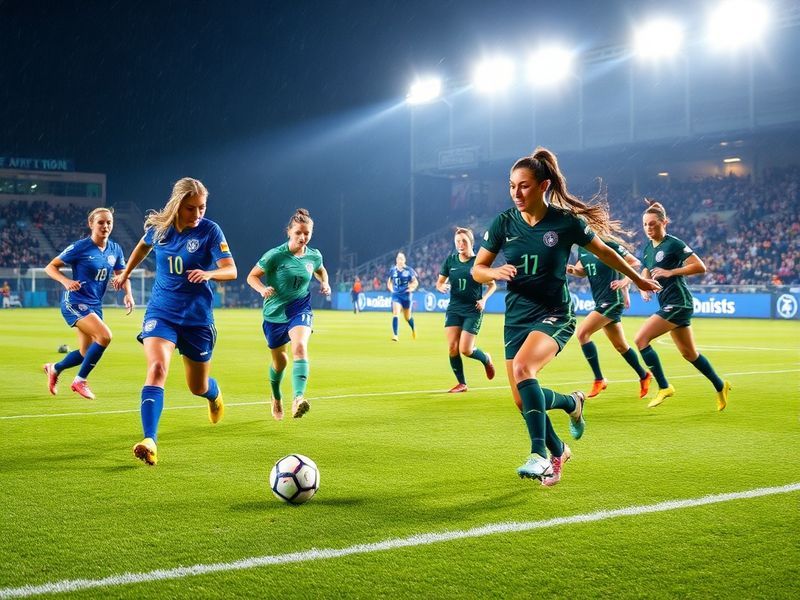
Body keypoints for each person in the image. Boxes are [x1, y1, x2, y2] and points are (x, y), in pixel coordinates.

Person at [472, 147, 660, 487]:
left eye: (524, 186)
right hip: (516, 317)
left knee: (523, 370)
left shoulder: (565, 223)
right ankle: (564, 432)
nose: (516, 193)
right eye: (512, 185)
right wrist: (494, 272)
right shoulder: (502, 223)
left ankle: (538, 455)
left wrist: (637, 278)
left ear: (543, 186)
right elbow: (477, 270)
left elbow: (605, 251)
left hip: (555, 312)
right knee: (522, 398)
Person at [112, 177, 236, 466]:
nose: (198, 214)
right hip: (161, 313)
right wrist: (126, 272)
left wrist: (209, 274)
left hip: (196, 319)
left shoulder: (210, 230)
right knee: (157, 368)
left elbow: (231, 270)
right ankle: (150, 440)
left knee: (197, 386)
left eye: (202, 208)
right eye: (191, 209)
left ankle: (213, 396)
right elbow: (142, 248)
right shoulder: (160, 230)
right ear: (178, 206)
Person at [634, 200, 731, 410]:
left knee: (641, 339)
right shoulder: (647, 248)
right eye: (645, 225)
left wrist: (671, 272)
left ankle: (664, 386)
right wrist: (643, 286)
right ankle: (720, 385)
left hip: (679, 302)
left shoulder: (674, 243)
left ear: (664, 222)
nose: (649, 228)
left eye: (653, 224)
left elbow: (700, 266)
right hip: (668, 302)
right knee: (689, 354)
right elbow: (645, 268)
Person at [246, 208, 330, 421]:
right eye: (298, 233)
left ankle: (298, 399)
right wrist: (262, 289)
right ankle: (275, 397)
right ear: (289, 232)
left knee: (300, 347)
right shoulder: (275, 255)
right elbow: (252, 277)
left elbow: (320, 269)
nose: (303, 237)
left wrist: (325, 282)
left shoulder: (314, 255)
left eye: (307, 233)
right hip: (274, 314)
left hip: (299, 308)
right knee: (280, 363)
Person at [42, 208, 134, 400]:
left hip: (94, 305)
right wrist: (66, 281)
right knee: (105, 336)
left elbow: (122, 275)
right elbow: (50, 267)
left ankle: (55, 368)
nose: (106, 226)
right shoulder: (80, 247)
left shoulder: (115, 249)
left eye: (109, 222)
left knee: (86, 353)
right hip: (75, 301)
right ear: (91, 224)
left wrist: (128, 294)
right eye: (101, 222)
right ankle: (80, 381)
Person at [567, 235, 652, 398]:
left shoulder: (608, 245)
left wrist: (625, 283)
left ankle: (599, 379)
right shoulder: (583, 250)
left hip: (613, 300)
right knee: (621, 346)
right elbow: (581, 271)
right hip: (600, 300)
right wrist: (569, 269)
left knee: (582, 334)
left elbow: (634, 263)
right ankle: (644, 375)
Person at [435, 227, 497, 393]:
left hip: (473, 309)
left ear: (471, 242)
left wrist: (484, 300)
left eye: (463, 241)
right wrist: (440, 286)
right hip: (454, 308)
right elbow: (439, 282)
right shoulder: (450, 261)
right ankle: (462, 383)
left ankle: (486, 359)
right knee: (452, 347)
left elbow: (492, 285)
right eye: (457, 242)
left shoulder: (478, 262)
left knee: (466, 349)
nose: (460, 244)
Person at [387, 252, 418, 341]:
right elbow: (389, 281)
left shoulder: (409, 270)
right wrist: (391, 289)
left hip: (406, 296)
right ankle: (395, 335)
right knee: (396, 313)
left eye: (401, 258)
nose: (399, 260)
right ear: (396, 260)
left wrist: (411, 288)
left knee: (407, 317)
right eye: (398, 258)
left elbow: (415, 282)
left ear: (404, 260)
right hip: (396, 295)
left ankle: (413, 328)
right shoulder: (392, 270)